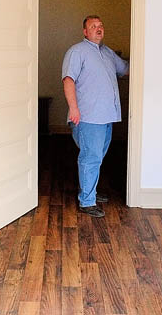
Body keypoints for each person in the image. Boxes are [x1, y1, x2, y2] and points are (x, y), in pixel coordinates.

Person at [61, 15, 129, 217]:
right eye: (93, 26)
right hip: (88, 117)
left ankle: (89, 191)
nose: (98, 29)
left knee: (97, 157)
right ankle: (87, 201)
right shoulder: (77, 51)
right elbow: (68, 80)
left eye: (100, 26)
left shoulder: (107, 53)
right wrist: (73, 108)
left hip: (107, 116)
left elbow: (126, 70)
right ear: (85, 31)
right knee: (90, 157)